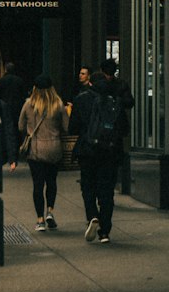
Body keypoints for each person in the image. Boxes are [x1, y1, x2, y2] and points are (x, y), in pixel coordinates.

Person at [76, 67, 130, 243]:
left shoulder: (81, 99)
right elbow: (124, 129)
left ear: (91, 82)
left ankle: (92, 215)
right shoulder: (115, 102)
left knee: (88, 186)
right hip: (110, 152)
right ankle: (105, 231)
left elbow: (73, 127)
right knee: (107, 191)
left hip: (87, 151)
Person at [18, 75, 69, 232]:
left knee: (38, 185)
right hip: (54, 149)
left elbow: (20, 126)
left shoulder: (28, 105)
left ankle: (40, 220)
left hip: (35, 150)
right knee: (51, 182)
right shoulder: (58, 104)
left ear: (35, 89)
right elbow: (66, 127)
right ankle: (50, 211)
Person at [0, 61, 28, 128]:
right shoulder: (19, 81)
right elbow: (24, 95)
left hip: (3, 110)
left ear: (5, 70)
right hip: (17, 110)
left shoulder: (1, 81)